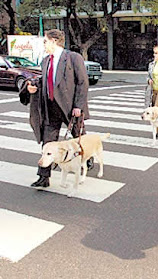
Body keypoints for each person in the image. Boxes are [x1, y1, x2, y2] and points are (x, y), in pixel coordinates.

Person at [20, 29, 92, 188]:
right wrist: (33, 87)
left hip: (70, 108)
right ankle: (43, 177)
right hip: (50, 108)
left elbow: (82, 83)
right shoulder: (46, 60)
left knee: (78, 138)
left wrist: (78, 106)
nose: (43, 45)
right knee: (48, 144)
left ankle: (87, 157)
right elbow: (46, 81)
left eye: (45, 41)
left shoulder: (73, 58)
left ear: (54, 41)